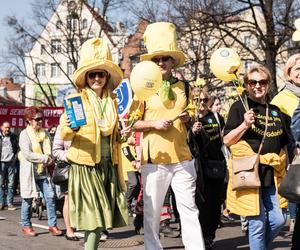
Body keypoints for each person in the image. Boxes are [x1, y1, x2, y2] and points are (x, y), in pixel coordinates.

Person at [132, 22, 205, 250]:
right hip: (155, 160)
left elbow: (192, 112)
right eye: (157, 59)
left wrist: (188, 119)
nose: (161, 63)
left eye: (165, 58)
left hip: (182, 158)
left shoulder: (184, 86)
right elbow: (132, 122)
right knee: (153, 213)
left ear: (173, 61)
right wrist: (153, 123)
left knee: (189, 209)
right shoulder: (142, 88)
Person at [59, 38, 128, 250]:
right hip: (86, 166)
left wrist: (122, 135)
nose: (96, 78)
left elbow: (112, 135)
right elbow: (65, 133)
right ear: (86, 77)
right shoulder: (76, 100)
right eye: (92, 74)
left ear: (107, 77)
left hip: (108, 165)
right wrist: (72, 127)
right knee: (94, 220)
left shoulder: (113, 102)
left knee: (101, 222)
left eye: (101, 74)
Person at [223, 65, 289, 250]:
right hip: (249, 172)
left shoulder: (276, 110)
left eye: (262, 82)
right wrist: (244, 124)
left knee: (278, 220)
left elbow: (285, 141)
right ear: (246, 85)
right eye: (253, 82)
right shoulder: (239, 107)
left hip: (273, 173)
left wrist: (290, 163)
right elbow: (227, 140)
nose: (258, 86)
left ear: (268, 84)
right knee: (257, 222)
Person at [189, 89, 226, 249]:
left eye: (204, 100)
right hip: (198, 168)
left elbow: (225, 138)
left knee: (216, 203)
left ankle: (210, 235)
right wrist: (191, 131)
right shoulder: (189, 120)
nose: (201, 104)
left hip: (216, 164)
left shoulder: (216, 118)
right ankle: (201, 237)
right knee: (201, 203)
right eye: (197, 100)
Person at [19, 106, 62, 237]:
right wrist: (45, 158)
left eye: (41, 119)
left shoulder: (46, 133)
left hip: (44, 172)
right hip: (30, 172)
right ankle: (26, 225)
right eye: (37, 119)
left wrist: (51, 159)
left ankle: (53, 225)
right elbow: (27, 154)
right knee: (27, 199)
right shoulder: (24, 134)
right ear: (28, 120)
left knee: (50, 198)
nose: (40, 121)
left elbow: (51, 151)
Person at [271, 53, 300, 235]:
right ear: (289, 73)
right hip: (294, 161)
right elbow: (276, 135)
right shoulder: (280, 99)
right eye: (297, 69)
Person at [52, 125, 78, 241]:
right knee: (68, 198)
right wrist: (71, 157)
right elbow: (56, 151)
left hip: (86, 166)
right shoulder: (63, 125)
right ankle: (69, 229)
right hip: (68, 166)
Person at [0, 122, 18, 210]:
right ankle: (1, 203)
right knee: (1, 184)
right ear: (2, 128)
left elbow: (17, 148)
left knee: (11, 184)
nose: (7, 129)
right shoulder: (0, 137)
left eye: (9, 127)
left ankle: (10, 203)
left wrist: (15, 158)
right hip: (1, 163)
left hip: (11, 163)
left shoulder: (14, 136)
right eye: (6, 127)